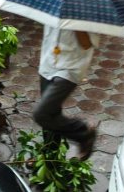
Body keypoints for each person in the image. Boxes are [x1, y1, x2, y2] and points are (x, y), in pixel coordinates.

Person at [32, 26, 99, 160]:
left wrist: (73, 23)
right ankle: (50, 155)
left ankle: (84, 132)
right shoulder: (55, 6)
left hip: (70, 68)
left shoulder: (87, 12)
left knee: (41, 114)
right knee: (52, 114)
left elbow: (87, 44)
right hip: (48, 63)